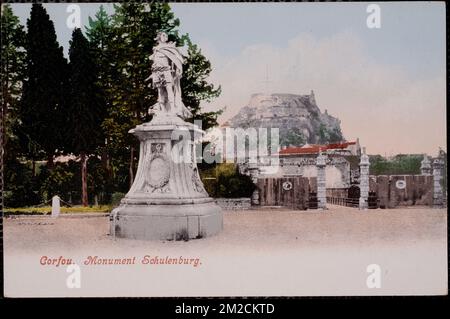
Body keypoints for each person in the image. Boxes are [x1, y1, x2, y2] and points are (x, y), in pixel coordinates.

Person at [147, 31, 192, 119]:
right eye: (164, 35)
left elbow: (177, 59)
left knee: (169, 89)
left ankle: (172, 110)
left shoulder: (169, 47)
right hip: (156, 71)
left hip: (166, 70)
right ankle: (163, 111)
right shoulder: (155, 49)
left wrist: (178, 69)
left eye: (166, 35)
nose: (166, 37)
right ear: (159, 37)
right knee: (160, 92)